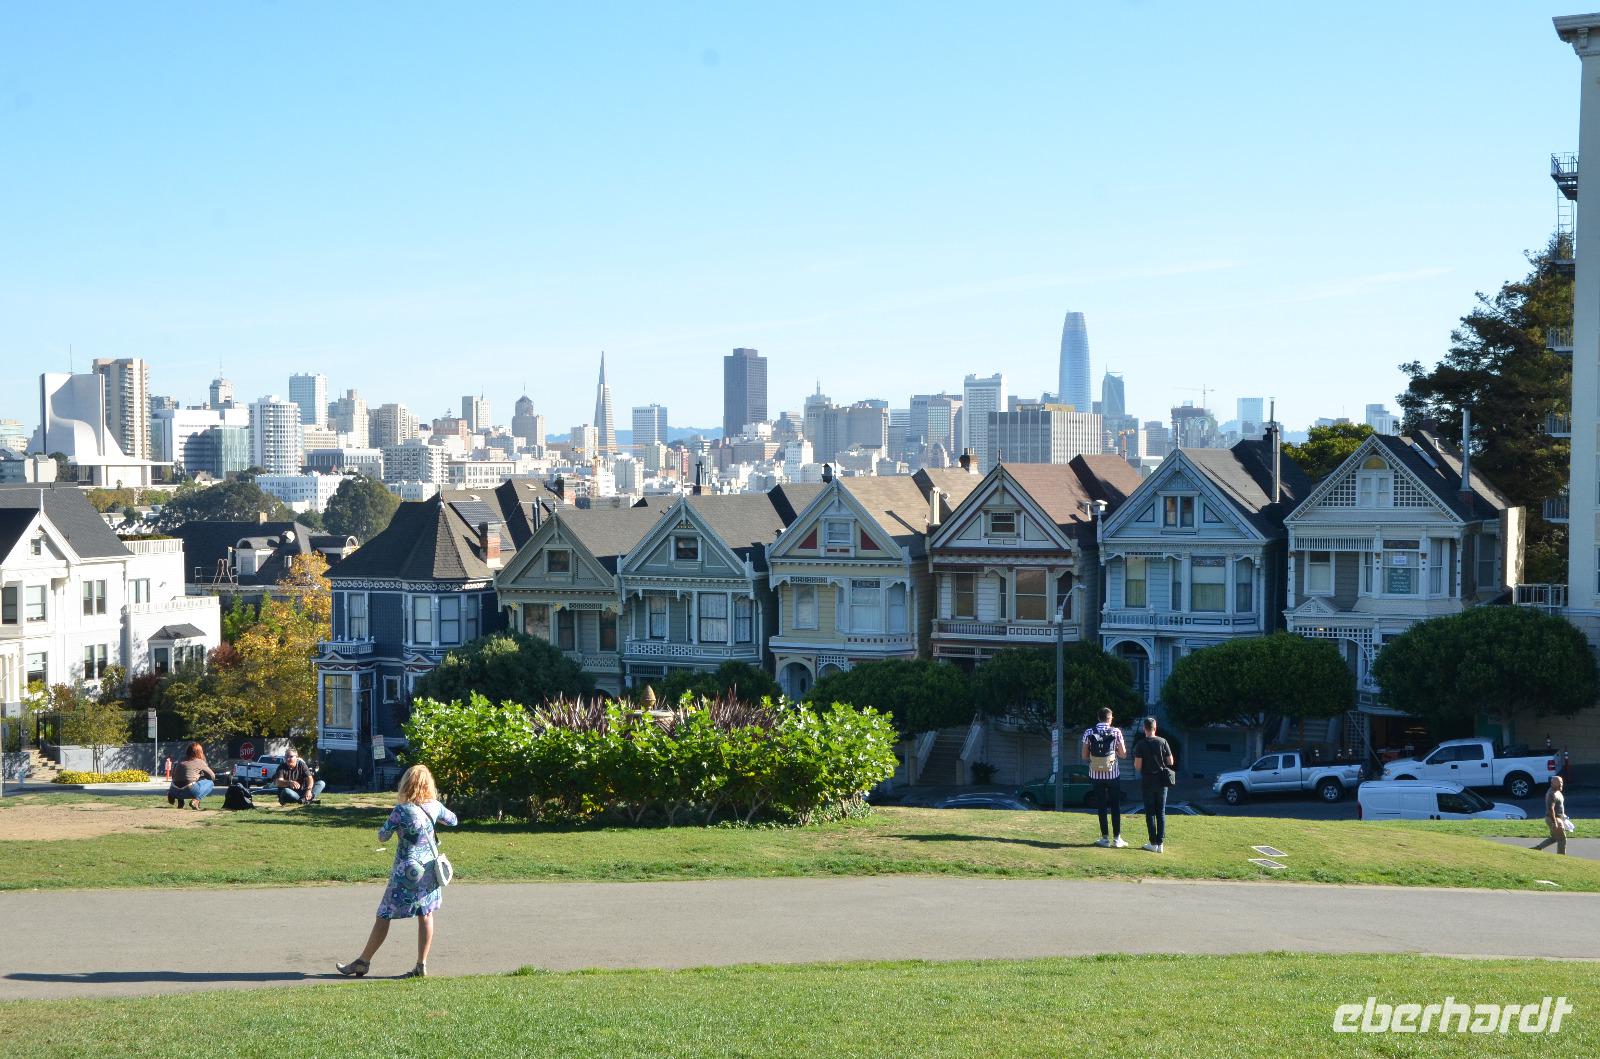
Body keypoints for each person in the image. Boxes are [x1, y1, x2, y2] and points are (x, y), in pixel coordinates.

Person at [338, 764, 458, 979]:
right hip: (430, 871)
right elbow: (453, 820)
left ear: (406, 783)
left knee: (384, 914)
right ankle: (421, 965)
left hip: (407, 871)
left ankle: (363, 962)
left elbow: (383, 836)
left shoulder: (401, 811)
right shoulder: (435, 806)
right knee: (426, 915)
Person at [1081, 707, 1127, 848]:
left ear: (1098, 717)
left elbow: (1084, 756)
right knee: (1115, 806)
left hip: (1095, 774)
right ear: (1110, 718)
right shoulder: (1116, 732)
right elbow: (1124, 754)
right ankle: (1117, 839)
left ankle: (1105, 838)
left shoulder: (1089, 732)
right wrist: (1115, 753)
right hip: (1113, 774)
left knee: (1101, 806)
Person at [1131, 717, 1175, 853]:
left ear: (1144, 728)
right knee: (1161, 812)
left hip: (1148, 781)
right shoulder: (1163, 741)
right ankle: (1161, 844)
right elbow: (1170, 761)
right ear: (1155, 728)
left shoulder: (1140, 744)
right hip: (1162, 781)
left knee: (1150, 813)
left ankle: (1153, 843)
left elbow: (1138, 766)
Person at [166, 742, 215, 809]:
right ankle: (196, 801)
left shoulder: (181, 759)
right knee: (210, 783)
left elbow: (173, 776)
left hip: (174, 790)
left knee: (181, 780)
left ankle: (178, 800)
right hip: (189, 791)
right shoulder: (200, 762)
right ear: (199, 752)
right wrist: (203, 776)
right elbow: (212, 777)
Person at [1534, 775, 1570, 855]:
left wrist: (1563, 816)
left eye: (1561, 782)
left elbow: (1559, 807)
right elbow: (1550, 809)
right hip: (1553, 818)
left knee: (1554, 837)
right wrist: (1555, 822)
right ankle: (1561, 858)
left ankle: (1538, 848)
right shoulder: (1551, 794)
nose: (1561, 784)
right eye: (1559, 782)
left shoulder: (1558, 792)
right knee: (1562, 839)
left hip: (1558, 818)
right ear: (1552, 783)